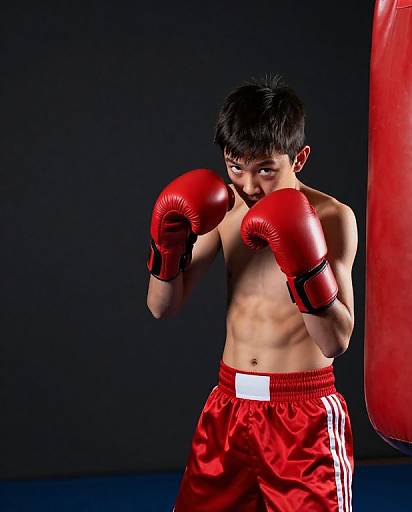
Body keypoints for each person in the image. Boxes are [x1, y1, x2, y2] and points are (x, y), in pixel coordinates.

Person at [146, 75, 358, 512]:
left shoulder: (332, 217)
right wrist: (167, 249)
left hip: (302, 415)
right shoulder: (224, 210)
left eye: (265, 169)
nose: (248, 184)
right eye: (235, 166)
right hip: (229, 406)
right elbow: (161, 308)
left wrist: (303, 267)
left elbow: (336, 341)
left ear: (298, 159)